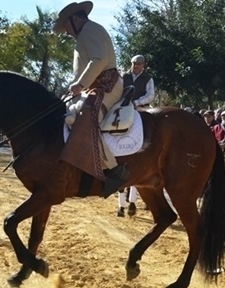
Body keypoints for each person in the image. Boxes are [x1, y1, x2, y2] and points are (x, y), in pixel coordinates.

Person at [53, 1, 127, 197]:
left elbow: (99, 60)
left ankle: (114, 170)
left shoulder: (89, 30)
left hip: (107, 85)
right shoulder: (85, 33)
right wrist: (77, 86)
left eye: (67, 26)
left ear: (75, 19)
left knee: (88, 117)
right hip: (94, 86)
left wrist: (80, 85)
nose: (67, 31)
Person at [116, 54, 156, 216]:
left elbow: (150, 95)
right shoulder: (123, 76)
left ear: (143, 65)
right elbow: (117, 91)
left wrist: (136, 102)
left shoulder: (148, 78)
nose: (135, 66)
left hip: (140, 108)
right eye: (133, 63)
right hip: (123, 108)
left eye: (138, 64)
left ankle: (132, 201)